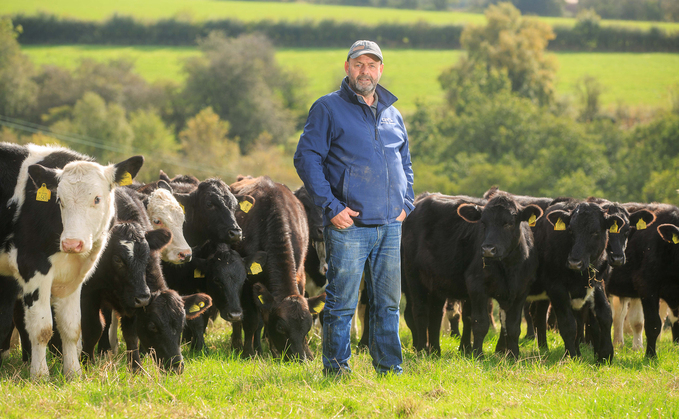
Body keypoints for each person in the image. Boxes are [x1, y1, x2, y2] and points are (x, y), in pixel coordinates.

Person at [294, 40, 415, 376]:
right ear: (347, 67)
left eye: (372, 64)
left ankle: (389, 368)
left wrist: (407, 202)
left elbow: (404, 161)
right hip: (349, 225)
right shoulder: (328, 108)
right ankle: (337, 370)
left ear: (381, 70)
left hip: (391, 225)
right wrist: (331, 206)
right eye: (359, 64)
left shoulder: (393, 112)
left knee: (388, 304)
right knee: (341, 304)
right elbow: (306, 158)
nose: (366, 71)